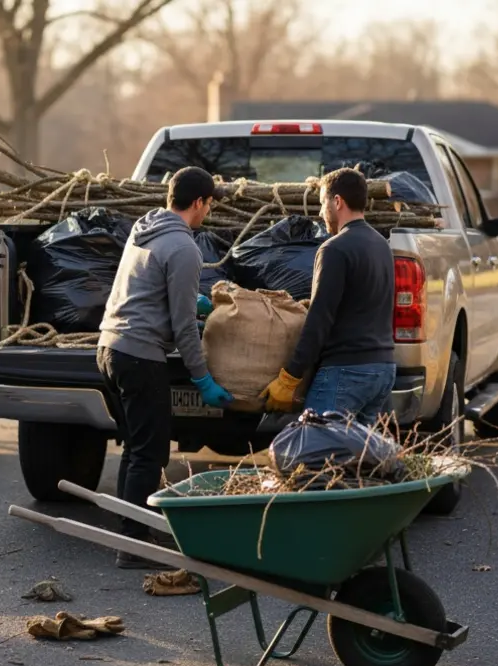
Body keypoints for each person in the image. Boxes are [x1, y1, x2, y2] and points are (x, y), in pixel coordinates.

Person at [97, 166, 234, 569]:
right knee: (152, 452)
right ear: (198, 203)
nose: (208, 211)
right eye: (209, 204)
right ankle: (134, 547)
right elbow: (182, 330)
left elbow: (149, 292)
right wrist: (202, 379)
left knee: (135, 449)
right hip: (140, 356)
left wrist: (195, 304)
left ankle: (130, 531)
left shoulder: (145, 230)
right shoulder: (185, 248)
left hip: (109, 347)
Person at [260, 167, 396, 423]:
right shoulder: (382, 245)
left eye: (323, 203)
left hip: (346, 373)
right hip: (382, 370)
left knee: (317, 452)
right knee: (359, 458)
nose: (321, 213)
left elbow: (319, 319)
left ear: (337, 201)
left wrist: (291, 376)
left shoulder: (334, 249)